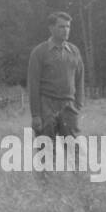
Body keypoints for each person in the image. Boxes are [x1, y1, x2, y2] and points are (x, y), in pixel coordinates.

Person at [27, 11, 85, 168]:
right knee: (45, 149)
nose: (66, 30)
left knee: (74, 148)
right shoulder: (39, 52)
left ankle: (78, 185)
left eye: (68, 27)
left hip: (69, 106)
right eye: (61, 27)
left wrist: (78, 105)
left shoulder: (74, 51)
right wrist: (36, 115)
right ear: (51, 28)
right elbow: (33, 85)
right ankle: (45, 187)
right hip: (47, 104)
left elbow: (79, 80)